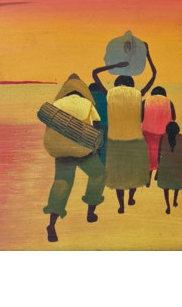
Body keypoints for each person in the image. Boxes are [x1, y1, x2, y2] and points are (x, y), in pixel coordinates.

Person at [92, 43, 157, 213]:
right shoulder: (138, 94)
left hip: (115, 142)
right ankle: (131, 198)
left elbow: (94, 73)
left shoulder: (110, 94)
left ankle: (121, 205)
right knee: (134, 174)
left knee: (118, 177)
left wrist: (115, 65)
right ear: (131, 84)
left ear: (117, 84)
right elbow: (154, 75)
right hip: (135, 141)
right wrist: (148, 55)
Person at [43, 74, 107, 242]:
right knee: (98, 174)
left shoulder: (56, 104)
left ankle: (52, 224)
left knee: (61, 183)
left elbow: (49, 128)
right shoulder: (87, 103)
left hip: (61, 151)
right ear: (82, 90)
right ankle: (90, 212)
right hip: (82, 151)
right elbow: (96, 126)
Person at [142, 86, 176, 187]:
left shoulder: (145, 101)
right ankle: (158, 172)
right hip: (163, 134)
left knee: (149, 156)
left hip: (148, 133)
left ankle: (148, 178)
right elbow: (174, 117)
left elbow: (140, 117)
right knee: (161, 155)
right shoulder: (169, 102)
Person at [156, 121, 182, 215]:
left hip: (165, 165)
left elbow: (158, 153)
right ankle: (174, 200)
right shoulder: (181, 137)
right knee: (177, 185)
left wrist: (158, 167)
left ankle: (168, 206)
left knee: (165, 187)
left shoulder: (163, 137)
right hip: (178, 165)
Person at [89, 83, 108, 165]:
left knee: (95, 148)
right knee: (104, 148)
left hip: (94, 126)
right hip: (107, 125)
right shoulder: (105, 96)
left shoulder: (89, 97)